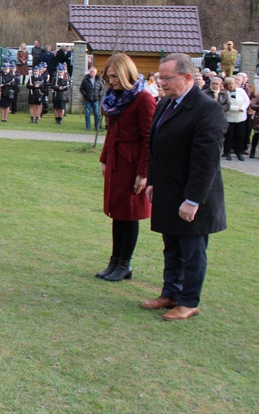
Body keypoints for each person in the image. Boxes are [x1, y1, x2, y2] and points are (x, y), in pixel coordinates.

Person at [142, 53, 227, 320]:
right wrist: (153, 180)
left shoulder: (207, 109)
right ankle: (170, 294)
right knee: (172, 247)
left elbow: (206, 161)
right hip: (167, 190)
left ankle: (189, 301)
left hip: (193, 194)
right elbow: (155, 147)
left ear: (188, 77)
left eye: (167, 78)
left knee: (192, 250)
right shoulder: (166, 104)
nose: (161, 83)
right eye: (159, 78)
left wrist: (192, 200)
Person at [96, 54, 155, 281]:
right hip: (115, 163)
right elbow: (110, 133)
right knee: (117, 213)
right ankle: (114, 261)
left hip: (132, 166)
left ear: (125, 73)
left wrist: (143, 173)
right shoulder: (115, 98)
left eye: (114, 76)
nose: (111, 81)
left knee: (129, 214)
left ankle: (125, 263)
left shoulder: (143, 99)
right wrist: (104, 159)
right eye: (108, 77)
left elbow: (149, 138)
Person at [222, 77, 249, 161]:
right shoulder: (224, 93)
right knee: (229, 136)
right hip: (229, 116)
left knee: (240, 135)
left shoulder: (241, 91)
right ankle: (227, 152)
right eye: (229, 85)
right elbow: (224, 104)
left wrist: (242, 108)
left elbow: (246, 101)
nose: (231, 86)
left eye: (232, 84)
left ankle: (239, 152)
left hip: (240, 116)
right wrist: (235, 108)